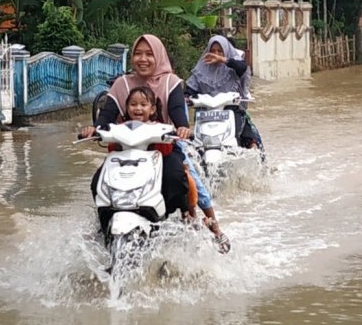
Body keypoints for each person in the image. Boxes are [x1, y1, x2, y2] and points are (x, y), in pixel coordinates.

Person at [81, 34, 230, 254]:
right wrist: (94, 129)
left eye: (149, 54)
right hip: (126, 151)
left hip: (164, 148)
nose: (143, 59)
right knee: (98, 182)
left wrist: (182, 127)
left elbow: (179, 114)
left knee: (183, 180)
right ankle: (103, 227)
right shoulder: (122, 85)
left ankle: (210, 225)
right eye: (138, 54)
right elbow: (107, 116)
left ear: (158, 56)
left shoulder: (171, 83)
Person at [109, 86, 199, 215]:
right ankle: (104, 213)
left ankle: (183, 212)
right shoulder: (120, 128)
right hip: (127, 166)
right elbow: (112, 149)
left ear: (152, 109)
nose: (138, 108)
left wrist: (162, 138)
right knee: (98, 181)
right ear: (127, 108)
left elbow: (166, 150)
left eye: (143, 104)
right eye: (133, 104)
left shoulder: (160, 128)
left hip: (154, 165)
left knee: (176, 177)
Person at [185, 35, 263, 149]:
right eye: (212, 51)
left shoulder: (233, 67)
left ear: (226, 52)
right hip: (205, 113)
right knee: (192, 143)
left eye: (220, 51)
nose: (215, 54)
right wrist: (186, 97)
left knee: (250, 139)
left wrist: (223, 60)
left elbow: (243, 68)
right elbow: (190, 89)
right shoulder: (200, 70)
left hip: (231, 110)